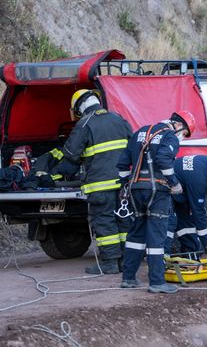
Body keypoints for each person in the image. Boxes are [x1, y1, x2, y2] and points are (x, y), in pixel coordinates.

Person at [50, 89, 132, 274]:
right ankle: (126, 262)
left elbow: (71, 156)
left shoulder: (84, 124)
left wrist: (53, 175)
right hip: (123, 184)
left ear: (79, 107)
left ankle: (110, 263)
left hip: (100, 186)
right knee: (123, 221)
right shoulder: (119, 119)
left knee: (104, 222)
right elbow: (134, 146)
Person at [117, 111, 195, 294]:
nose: (182, 138)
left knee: (136, 234)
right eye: (184, 134)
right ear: (178, 125)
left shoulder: (140, 132)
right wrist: (174, 183)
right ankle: (157, 282)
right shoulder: (169, 136)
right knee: (156, 236)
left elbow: (122, 164)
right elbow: (163, 160)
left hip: (135, 190)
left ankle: (128, 278)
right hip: (157, 191)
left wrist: (126, 184)